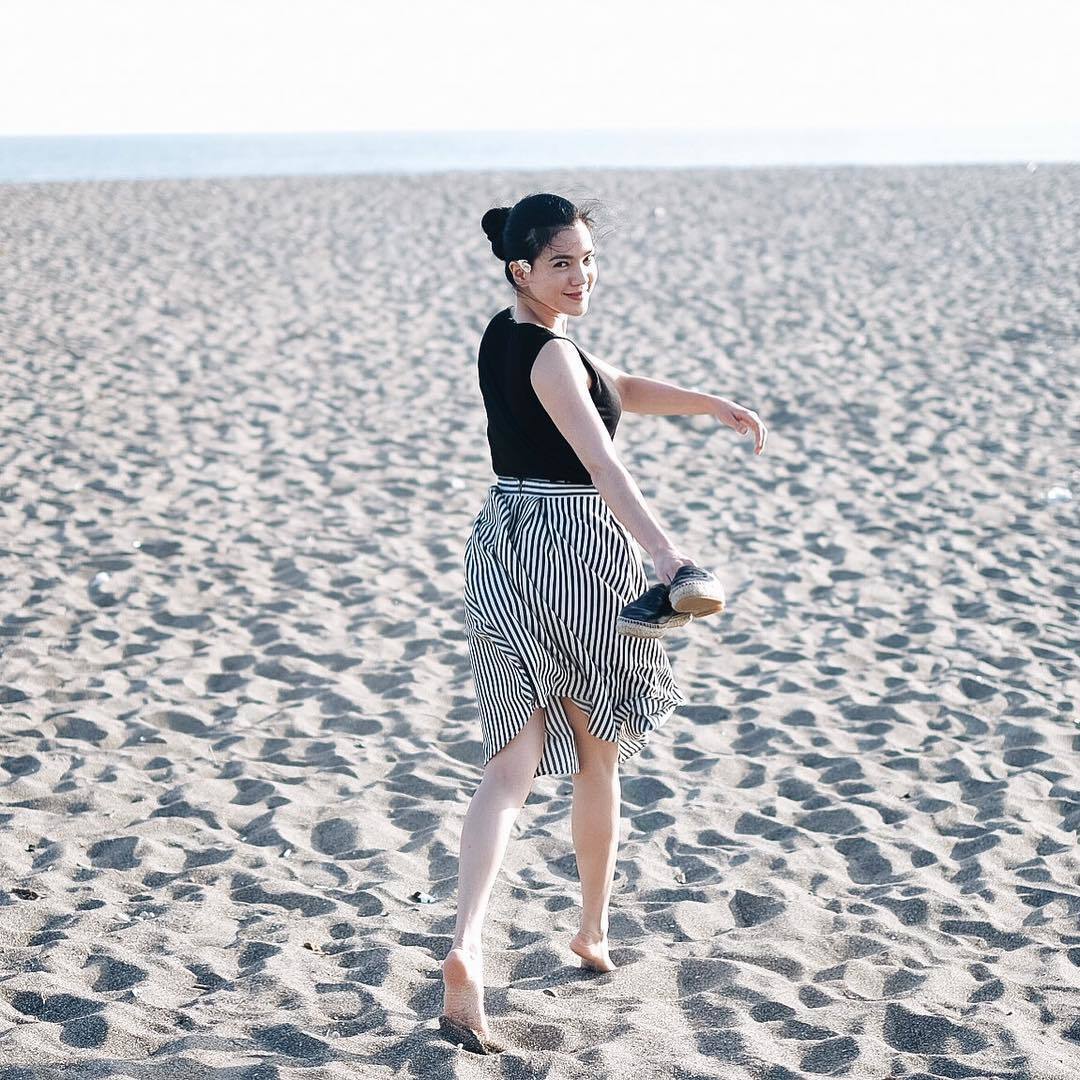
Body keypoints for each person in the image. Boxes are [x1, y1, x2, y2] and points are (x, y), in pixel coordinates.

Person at [439, 192, 767, 1054]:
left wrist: (707, 402)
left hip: (501, 544)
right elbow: (604, 464)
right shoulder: (552, 354)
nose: (581, 275)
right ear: (522, 269)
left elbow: (615, 388)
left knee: (508, 769)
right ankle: (590, 930)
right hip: (574, 546)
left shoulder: (508, 336)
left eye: (587, 259)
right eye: (562, 264)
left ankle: (467, 942)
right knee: (597, 753)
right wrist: (669, 560)